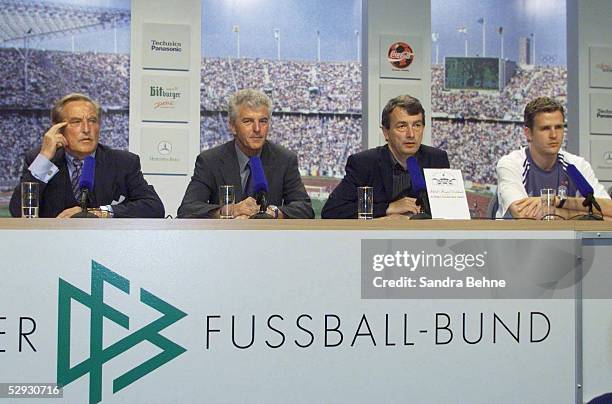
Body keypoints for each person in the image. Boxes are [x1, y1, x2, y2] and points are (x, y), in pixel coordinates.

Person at [9, 93, 164, 218]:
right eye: (76, 121)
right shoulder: (42, 161)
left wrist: (100, 213)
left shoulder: (123, 162)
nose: (86, 129)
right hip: (53, 248)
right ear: (58, 129)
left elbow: (153, 207)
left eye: (92, 121)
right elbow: (18, 211)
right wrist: (44, 158)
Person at [177, 88, 314, 219]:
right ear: (232, 126)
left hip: (269, 240)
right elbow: (188, 209)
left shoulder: (284, 159)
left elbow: (305, 209)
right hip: (224, 240)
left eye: (263, 121)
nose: (257, 129)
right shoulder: (210, 161)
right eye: (248, 121)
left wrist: (273, 213)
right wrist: (232, 210)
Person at [321, 95, 450, 219]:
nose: (411, 134)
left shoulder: (437, 159)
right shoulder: (364, 163)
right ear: (386, 132)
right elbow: (332, 210)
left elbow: (449, 210)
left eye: (417, 125)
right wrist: (387, 208)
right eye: (402, 126)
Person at [495, 97, 610, 219]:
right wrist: (588, 215)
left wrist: (558, 201)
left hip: (567, 238)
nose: (554, 135)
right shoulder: (510, 164)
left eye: (559, 127)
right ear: (528, 133)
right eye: (545, 128)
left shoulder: (577, 165)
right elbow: (524, 215)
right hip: (520, 238)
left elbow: (608, 210)